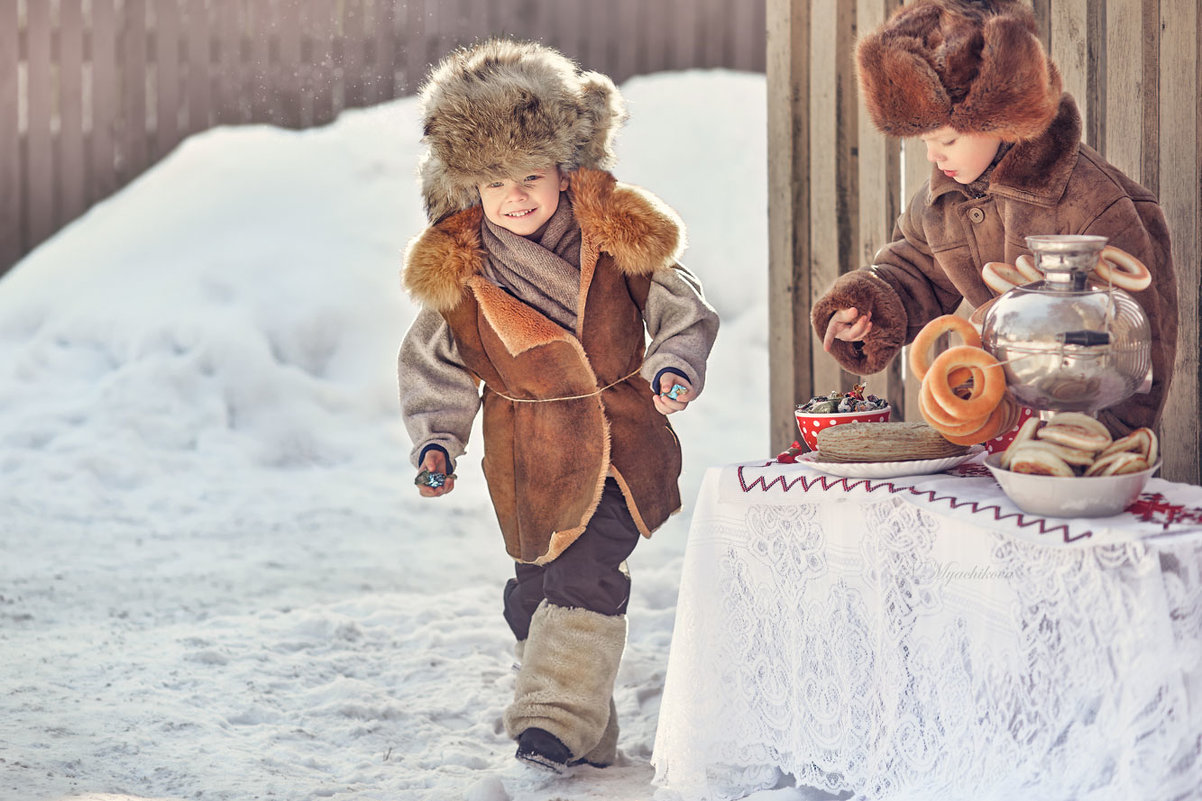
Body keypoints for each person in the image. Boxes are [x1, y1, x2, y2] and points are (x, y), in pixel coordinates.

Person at [397, 38, 718, 772]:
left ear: (565, 169)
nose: (516, 196)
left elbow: (682, 306)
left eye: (532, 175)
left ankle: (547, 725)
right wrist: (437, 439)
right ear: (467, 184)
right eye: (495, 181)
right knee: (533, 592)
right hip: (527, 456)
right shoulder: (464, 268)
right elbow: (435, 365)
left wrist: (672, 363)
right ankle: (587, 736)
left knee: (587, 574)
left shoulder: (611, 235)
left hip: (616, 438)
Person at [813, 0, 1178, 436]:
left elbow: (1138, 343)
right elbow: (915, 271)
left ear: (999, 117)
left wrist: (1101, 446)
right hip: (997, 429)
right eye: (922, 141)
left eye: (945, 138)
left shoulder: (1093, 203)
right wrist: (867, 309)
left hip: (1081, 435)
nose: (932, 155)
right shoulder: (941, 201)